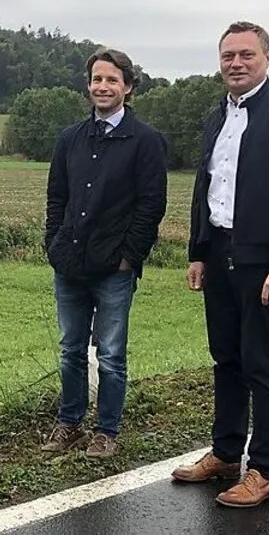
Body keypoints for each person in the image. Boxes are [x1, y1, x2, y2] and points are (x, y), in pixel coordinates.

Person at [171, 21, 269, 507]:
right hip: (219, 255)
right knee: (227, 361)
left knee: (261, 364)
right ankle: (224, 453)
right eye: (228, 56)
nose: (236, 63)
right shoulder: (217, 115)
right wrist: (198, 252)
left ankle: (263, 470)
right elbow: (207, 187)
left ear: (267, 59)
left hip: (266, 262)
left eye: (246, 55)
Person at [40, 47, 168, 459]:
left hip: (114, 267)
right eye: (97, 79)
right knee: (70, 350)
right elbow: (56, 197)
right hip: (70, 265)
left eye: (112, 79)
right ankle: (70, 422)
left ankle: (106, 430)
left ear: (128, 87)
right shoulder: (70, 139)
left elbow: (152, 206)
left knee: (111, 354)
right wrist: (53, 245)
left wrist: (129, 256)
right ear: (88, 85)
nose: (103, 86)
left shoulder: (145, 142)